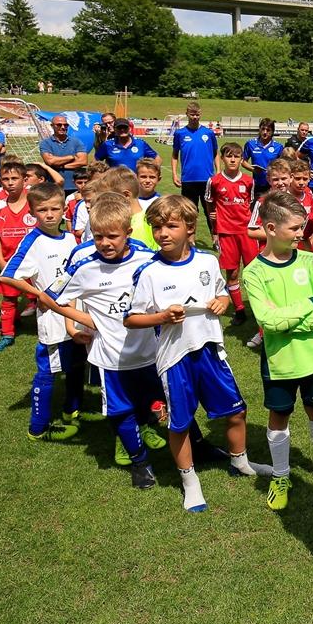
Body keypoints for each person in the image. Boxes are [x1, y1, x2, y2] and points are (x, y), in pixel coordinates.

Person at [126, 195, 271, 511]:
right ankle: (189, 481)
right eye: (157, 227)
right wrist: (162, 317)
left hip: (209, 350)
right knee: (179, 422)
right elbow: (131, 318)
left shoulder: (207, 261)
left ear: (189, 227)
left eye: (171, 226)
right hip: (175, 358)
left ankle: (241, 461)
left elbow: (220, 293)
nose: (163, 233)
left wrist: (224, 301)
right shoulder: (149, 272)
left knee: (236, 411)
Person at [39, 196, 162, 490]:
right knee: (120, 410)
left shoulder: (146, 257)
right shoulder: (83, 267)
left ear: (128, 233)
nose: (105, 242)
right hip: (110, 357)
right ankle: (139, 461)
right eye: (98, 236)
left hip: (151, 352)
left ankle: (158, 435)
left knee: (150, 405)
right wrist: (83, 319)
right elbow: (48, 296)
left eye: (112, 236)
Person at [240, 191, 313, 510]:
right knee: (279, 415)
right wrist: (307, 307)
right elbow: (267, 321)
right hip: (280, 361)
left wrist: (291, 318)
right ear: (269, 228)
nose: (301, 233)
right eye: (295, 228)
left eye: (302, 227)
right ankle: (280, 475)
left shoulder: (310, 261)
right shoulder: (254, 272)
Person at [0, 182, 85, 439]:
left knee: (77, 364)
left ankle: (72, 410)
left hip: (76, 316)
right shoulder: (33, 241)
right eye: (42, 210)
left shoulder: (70, 238)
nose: (49, 214)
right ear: (33, 212)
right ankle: (38, 428)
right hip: (53, 321)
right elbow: (8, 275)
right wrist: (39, 295)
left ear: (63, 210)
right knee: (48, 370)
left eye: (54, 209)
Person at [204, 142, 256, 325]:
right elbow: (210, 204)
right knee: (232, 273)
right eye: (229, 156)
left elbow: (251, 206)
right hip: (226, 233)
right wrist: (215, 232)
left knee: (253, 272)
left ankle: (258, 308)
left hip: (247, 233)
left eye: (236, 156)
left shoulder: (249, 181)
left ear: (242, 159)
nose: (232, 159)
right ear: (223, 158)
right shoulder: (215, 181)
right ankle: (240, 310)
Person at [0, 162, 35, 353]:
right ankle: (7, 334)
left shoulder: (34, 202)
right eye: (5, 179)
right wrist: (1, 261)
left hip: (34, 262)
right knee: (9, 298)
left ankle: (47, 330)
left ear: (24, 180)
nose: (10, 183)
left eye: (14, 178)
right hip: (9, 262)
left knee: (40, 297)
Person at [172, 103, 219, 219]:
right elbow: (174, 155)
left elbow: (216, 153)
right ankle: (189, 238)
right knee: (188, 213)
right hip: (188, 179)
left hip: (207, 179)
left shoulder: (208, 133)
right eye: (192, 114)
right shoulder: (180, 133)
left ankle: (215, 237)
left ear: (200, 114)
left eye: (197, 114)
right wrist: (174, 174)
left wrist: (218, 171)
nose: (195, 117)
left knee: (211, 212)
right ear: (187, 114)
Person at [38, 114, 90, 193]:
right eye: (59, 125)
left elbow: (83, 161)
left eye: (65, 125)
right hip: (54, 186)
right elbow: (50, 161)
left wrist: (60, 166)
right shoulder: (45, 143)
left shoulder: (76, 141)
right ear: (52, 126)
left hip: (76, 186)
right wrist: (71, 157)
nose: (63, 127)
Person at [95, 119, 160, 171]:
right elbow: (95, 161)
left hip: (136, 183)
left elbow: (157, 159)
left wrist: (151, 172)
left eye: (125, 127)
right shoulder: (108, 144)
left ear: (129, 129)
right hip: (115, 184)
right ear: (115, 129)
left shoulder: (140, 143)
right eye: (119, 128)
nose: (122, 130)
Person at [243, 118, 284, 193]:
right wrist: (253, 170)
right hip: (256, 184)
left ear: (272, 132)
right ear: (259, 129)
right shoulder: (250, 144)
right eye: (263, 129)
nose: (265, 132)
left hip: (273, 184)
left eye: (268, 130)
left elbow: (282, 166)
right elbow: (243, 162)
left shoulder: (278, 147)